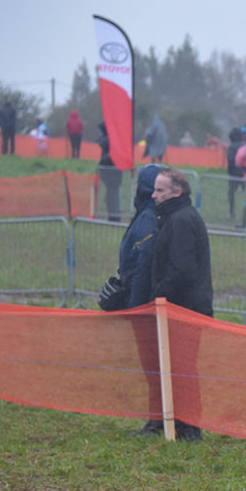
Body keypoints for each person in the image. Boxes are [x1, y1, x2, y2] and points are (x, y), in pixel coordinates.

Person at [150, 167, 213, 442]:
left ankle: (189, 428)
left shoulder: (181, 220)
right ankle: (171, 422)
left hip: (185, 307)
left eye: (160, 190)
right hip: (180, 305)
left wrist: (159, 294)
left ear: (176, 192)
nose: (154, 195)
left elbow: (182, 269)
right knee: (174, 366)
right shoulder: (175, 217)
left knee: (184, 367)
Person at [111, 164, 166, 437]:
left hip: (144, 304)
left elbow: (142, 266)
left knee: (153, 365)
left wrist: (134, 303)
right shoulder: (147, 215)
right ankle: (157, 419)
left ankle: (157, 421)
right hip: (140, 298)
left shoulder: (147, 219)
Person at [96, 122, 123, 222]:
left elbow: (109, 156)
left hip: (112, 175)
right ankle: (113, 216)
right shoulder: (111, 140)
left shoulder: (107, 141)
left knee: (112, 197)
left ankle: (114, 217)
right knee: (110, 197)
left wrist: (101, 161)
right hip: (113, 175)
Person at [225, 127, 246, 221]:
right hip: (245, 174)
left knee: (231, 194)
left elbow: (230, 161)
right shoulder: (245, 146)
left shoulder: (232, 147)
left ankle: (232, 213)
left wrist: (230, 171)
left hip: (234, 174)